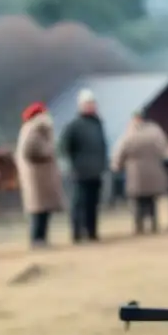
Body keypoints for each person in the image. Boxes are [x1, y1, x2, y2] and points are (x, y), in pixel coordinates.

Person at [58, 88, 108, 243]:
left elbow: (102, 145)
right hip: (80, 172)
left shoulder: (98, 124)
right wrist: (73, 164)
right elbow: (64, 147)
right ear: (81, 106)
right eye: (88, 103)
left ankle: (92, 232)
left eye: (92, 103)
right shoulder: (73, 126)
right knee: (79, 204)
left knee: (93, 204)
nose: (91, 106)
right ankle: (77, 234)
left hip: (96, 171)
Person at [111, 110, 168, 234]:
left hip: (136, 174)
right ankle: (154, 224)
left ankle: (139, 226)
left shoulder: (130, 134)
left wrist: (117, 166)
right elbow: (164, 150)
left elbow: (120, 153)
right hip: (154, 172)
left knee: (138, 202)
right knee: (152, 201)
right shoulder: (155, 131)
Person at [14, 102, 64, 248]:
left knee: (42, 208)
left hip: (40, 175)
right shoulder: (33, 129)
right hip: (37, 176)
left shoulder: (34, 129)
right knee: (38, 209)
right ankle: (37, 239)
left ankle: (41, 238)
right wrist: (47, 152)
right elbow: (28, 151)